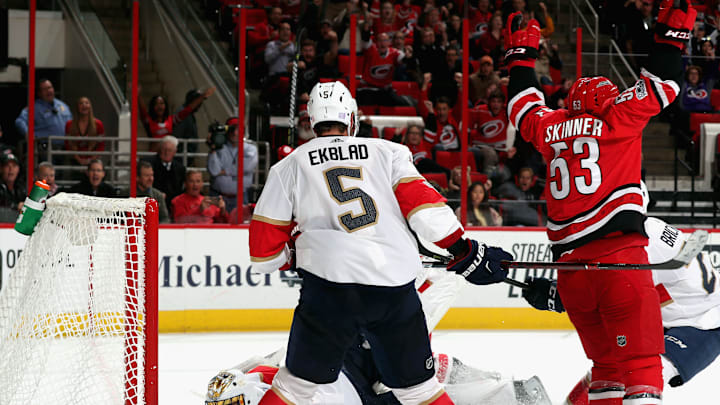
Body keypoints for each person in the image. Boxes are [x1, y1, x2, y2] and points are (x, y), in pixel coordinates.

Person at [249, 81, 513, 405]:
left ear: (311, 121)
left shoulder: (289, 165)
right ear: (352, 119)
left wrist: (296, 254)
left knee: (293, 387)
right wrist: (464, 250)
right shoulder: (388, 152)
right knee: (420, 391)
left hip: (329, 293)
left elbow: (264, 253)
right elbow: (424, 209)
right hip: (392, 289)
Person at [503, 2, 694, 402]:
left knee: (606, 371)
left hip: (571, 272)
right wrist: (671, 30)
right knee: (642, 368)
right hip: (619, 260)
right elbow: (665, 83)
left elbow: (522, 106)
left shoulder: (550, 126)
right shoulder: (618, 116)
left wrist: (522, 55)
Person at [206, 266, 551, 405]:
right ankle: (512, 393)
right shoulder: (251, 383)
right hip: (357, 374)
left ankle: (512, 393)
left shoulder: (251, 384)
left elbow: (265, 365)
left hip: (351, 364)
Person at [521, 218, 720, 404]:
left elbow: (616, 295)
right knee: (608, 373)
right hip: (674, 311)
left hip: (704, 323)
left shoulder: (636, 241)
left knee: (635, 378)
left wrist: (558, 296)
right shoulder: (642, 228)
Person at [138, 86, 215, 148]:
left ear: (166, 106)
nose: (159, 106)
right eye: (156, 104)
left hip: (168, 156)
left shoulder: (171, 120)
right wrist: (137, 95)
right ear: (152, 107)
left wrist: (202, 97)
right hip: (153, 156)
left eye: (162, 103)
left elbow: (188, 110)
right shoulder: (149, 121)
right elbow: (143, 111)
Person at [14, 78, 73, 160]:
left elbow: (72, 124)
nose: (49, 91)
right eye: (45, 89)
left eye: (50, 88)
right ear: (39, 93)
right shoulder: (34, 107)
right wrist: (27, 132)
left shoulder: (63, 106)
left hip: (65, 148)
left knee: (66, 170)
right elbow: (19, 121)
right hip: (45, 147)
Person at [207, 119, 259, 211]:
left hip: (241, 197)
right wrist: (213, 148)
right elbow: (214, 171)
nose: (235, 133)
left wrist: (224, 171)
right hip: (218, 195)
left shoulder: (250, 149)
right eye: (232, 129)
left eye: (238, 129)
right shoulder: (219, 147)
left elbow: (246, 167)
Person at [145, 135, 186, 213]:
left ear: (175, 152)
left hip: (173, 205)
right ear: (160, 150)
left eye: (169, 150)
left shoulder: (180, 168)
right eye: (164, 150)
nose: (167, 153)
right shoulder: (149, 164)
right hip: (153, 202)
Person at [65, 96, 105, 166]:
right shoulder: (69, 124)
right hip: (75, 160)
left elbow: (101, 146)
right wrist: (79, 160)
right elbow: (68, 144)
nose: (84, 105)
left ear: (90, 106)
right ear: (77, 107)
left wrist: (91, 160)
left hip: (93, 161)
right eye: (81, 103)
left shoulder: (98, 124)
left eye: (86, 103)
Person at [173, 89, 204, 166]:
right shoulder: (182, 113)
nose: (199, 105)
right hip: (180, 156)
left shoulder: (190, 114)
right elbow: (177, 136)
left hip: (187, 155)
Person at [0, 153, 25, 221]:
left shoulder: (21, 188)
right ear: (1, 169)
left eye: (14, 166)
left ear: (18, 169)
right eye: (7, 166)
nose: (11, 169)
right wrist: (16, 206)